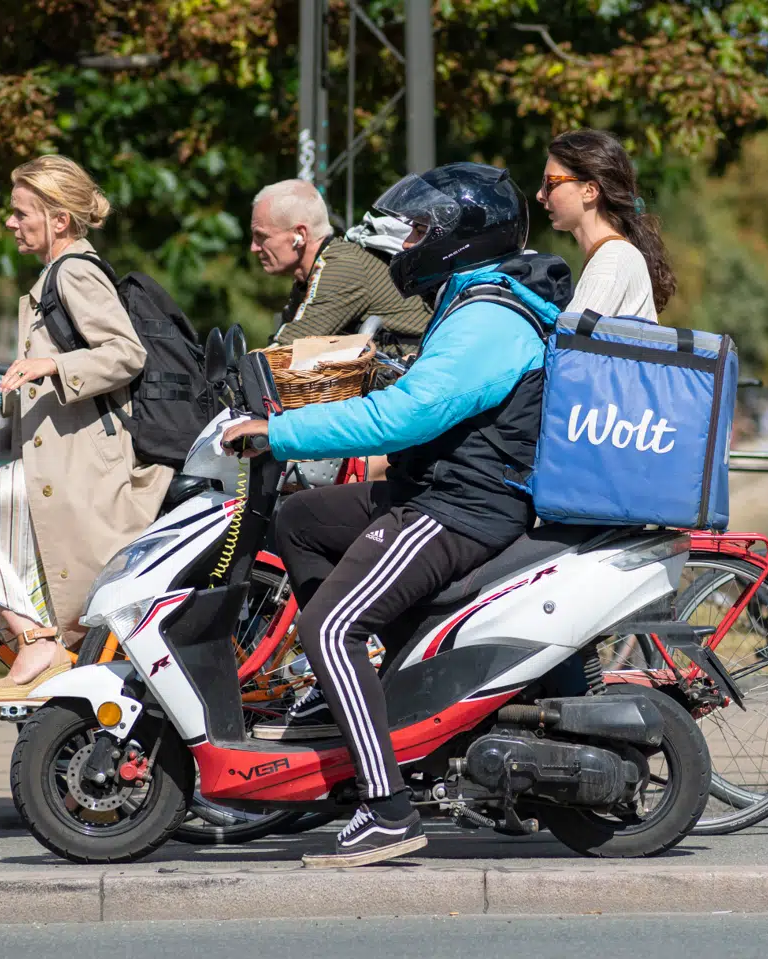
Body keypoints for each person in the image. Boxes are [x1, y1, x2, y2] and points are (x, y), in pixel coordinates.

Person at [223, 162, 571, 867]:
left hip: (461, 506)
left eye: (416, 232)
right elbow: (426, 391)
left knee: (332, 623)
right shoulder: (471, 301)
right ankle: (359, 691)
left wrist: (281, 432)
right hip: (438, 489)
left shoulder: (488, 318)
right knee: (301, 522)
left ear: (456, 240)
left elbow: (409, 416)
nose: (402, 245)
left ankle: (386, 808)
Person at [0, 155, 173, 708]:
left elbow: (127, 354)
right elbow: (35, 385)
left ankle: (36, 642)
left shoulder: (74, 271)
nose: (10, 223)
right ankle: (40, 645)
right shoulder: (50, 280)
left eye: (20, 212)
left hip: (81, 473)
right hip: (58, 464)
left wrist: (53, 366)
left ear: (57, 219)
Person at [251, 179, 429, 354]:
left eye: (261, 236)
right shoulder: (315, 273)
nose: (254, 247)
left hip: (413, 373)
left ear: (300, 235)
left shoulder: (341, 268)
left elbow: (285, 353)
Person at [537, 129, 676, 319]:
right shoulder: (611, 257)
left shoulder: (613, 260)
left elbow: (567, 342)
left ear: (590, 191)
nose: (540, 195)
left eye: (550, 184)